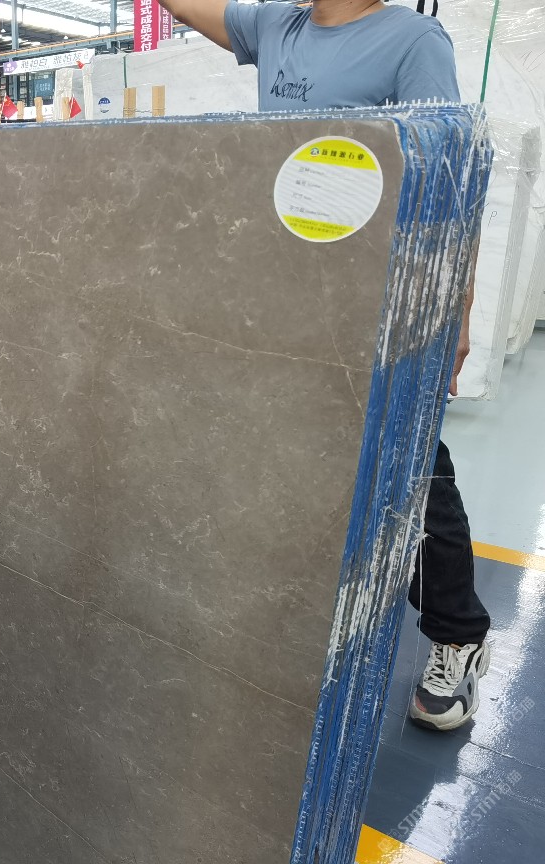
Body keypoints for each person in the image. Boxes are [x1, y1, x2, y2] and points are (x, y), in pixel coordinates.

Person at [158, 0, 492, 730]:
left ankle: (458, 634)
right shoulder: (273, 25)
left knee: (413, 471)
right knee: (294, 457)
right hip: (289, 302)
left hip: (379, 303)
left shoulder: (412, 42)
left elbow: (453, 186)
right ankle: (307, 616)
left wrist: (457, 312)